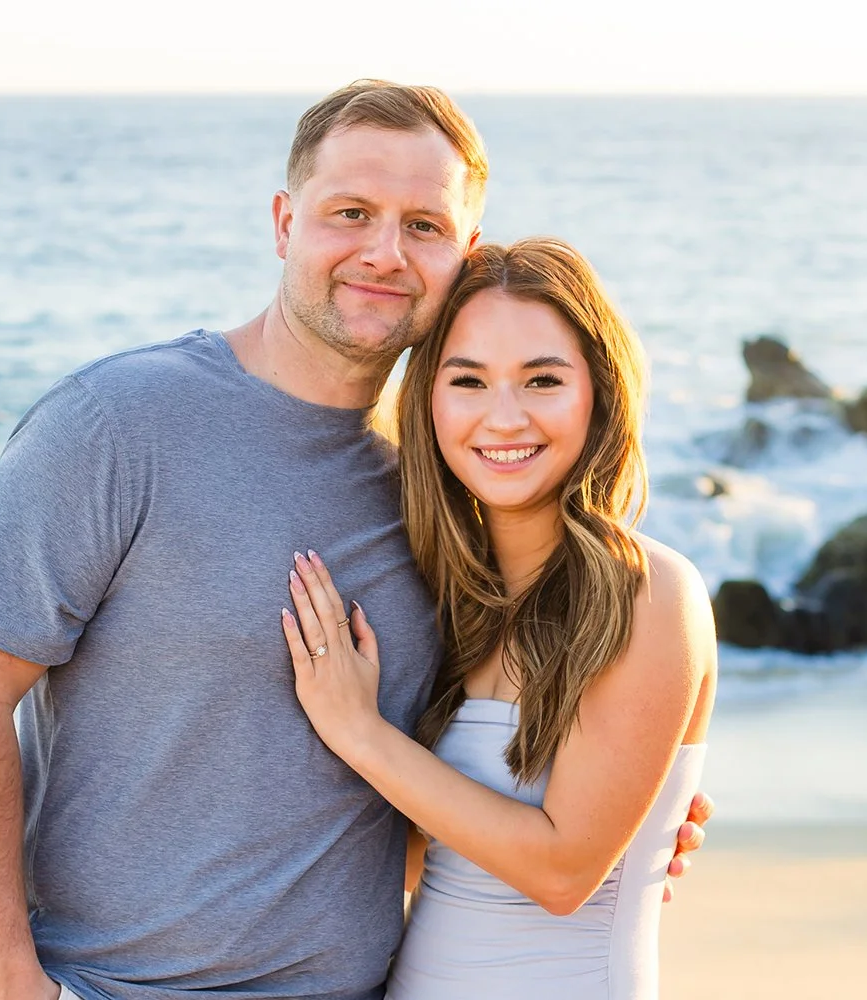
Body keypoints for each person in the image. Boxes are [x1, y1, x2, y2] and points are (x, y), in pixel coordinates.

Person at [0, 81, 711, 1000]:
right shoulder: (115, 424)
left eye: (423, 225)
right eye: (352, 213)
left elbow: (432, 791)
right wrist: (4, 978)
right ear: (285, 221)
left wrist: (635, 816)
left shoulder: (440, 490)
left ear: (464, 254)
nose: (383, 252)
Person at [280, 238, 716, 998]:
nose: (504, 418)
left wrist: (357, 730)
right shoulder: (447, 601)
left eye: (542, 380)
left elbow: (561, 872)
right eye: (469, 381)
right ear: (429, 401)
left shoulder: (649, 592)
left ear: (598, 393)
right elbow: (425, 856)